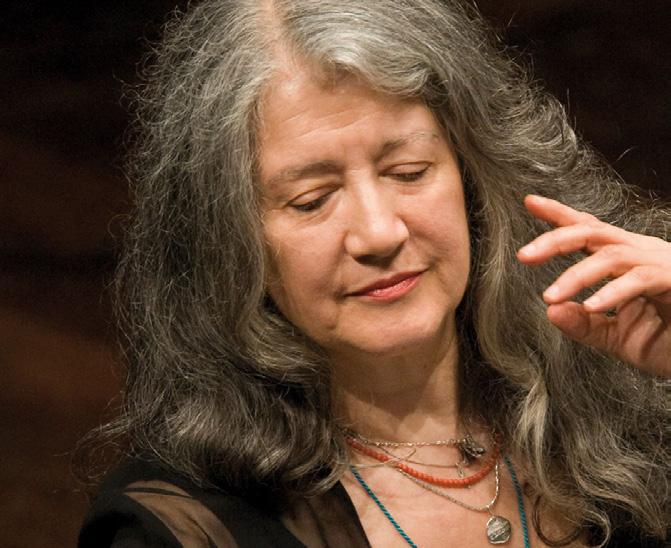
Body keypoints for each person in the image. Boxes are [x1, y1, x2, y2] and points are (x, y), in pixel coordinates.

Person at [79, 0, 670, 546]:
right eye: (312, 200)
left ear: (474, 177)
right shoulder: (178, 528)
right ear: (227, 244)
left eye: (409, 171)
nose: (380, 233)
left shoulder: (627, 410)